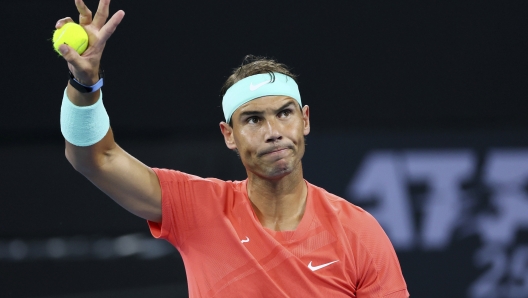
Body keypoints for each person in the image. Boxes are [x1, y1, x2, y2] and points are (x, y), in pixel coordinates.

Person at [56, 0, 410, 297]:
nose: (273, 132)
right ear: (229, 135)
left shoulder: (359, 233)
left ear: (304, 120)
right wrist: (84, 84)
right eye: (253, 120)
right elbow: (95, 158)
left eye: (284, 114)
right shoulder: (196, 208)